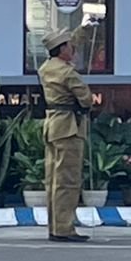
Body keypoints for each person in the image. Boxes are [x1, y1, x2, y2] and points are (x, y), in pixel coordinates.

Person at [38, 27, 92, 243]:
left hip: (52, 125)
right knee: (68, 180)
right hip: (69, 127)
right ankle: (64, 227)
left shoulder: (45, 69)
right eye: (70, 45)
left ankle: (55, 226)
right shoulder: (67, 72)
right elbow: (86, 99)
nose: (73, 49)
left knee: (53, 179)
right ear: (61, 49)